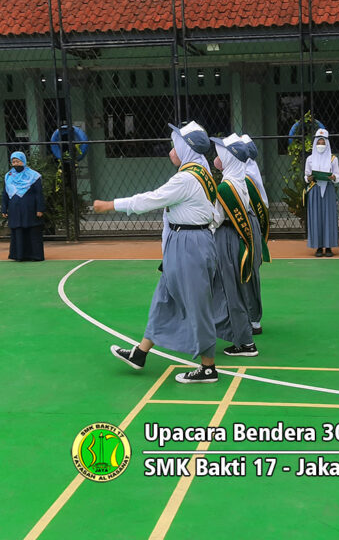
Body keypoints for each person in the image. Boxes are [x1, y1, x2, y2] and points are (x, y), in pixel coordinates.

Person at [97, 121, 223, 384]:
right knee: (164, 298)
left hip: (190, 243)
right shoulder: (201, 172)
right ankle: (140, 353)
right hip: (185, 241)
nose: (170, 151)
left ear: (185, 150)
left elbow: (149, 200)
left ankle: (208, 367)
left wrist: (111, 205)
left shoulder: (186, 178)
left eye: (174, 146)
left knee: (197, 304)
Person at [210, 134, 259, 357]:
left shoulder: (227, 186)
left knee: (232, 290)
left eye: (221, 152)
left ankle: (245, 343)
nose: (217, 154)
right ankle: (241, 336)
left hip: (227, 238)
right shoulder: (239, 178)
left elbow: (216, 219)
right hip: (237, 237)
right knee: (236, 288)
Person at [241, 134, 268, 335]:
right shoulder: (247, 170)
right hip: (247, 229)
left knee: (247, 271)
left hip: (245, 230)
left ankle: (252, 319)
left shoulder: (247, 174)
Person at [1, 151, 45, 261]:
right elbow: (5, 193)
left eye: (18, 161)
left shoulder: (34, 176)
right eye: (14, 162)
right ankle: (19, 255)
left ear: (24, 161)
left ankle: (35, 255)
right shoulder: (8, 176)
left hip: (30, 209)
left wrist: (40, 208)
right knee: (18, 229)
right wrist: (4, 208)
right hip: (15, 209)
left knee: (32, 229)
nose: (16, 164)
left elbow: (39, 193)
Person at [304, 128, 339, 257]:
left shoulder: (333, 159)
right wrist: (309, 178)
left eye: (323, 142)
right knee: (316, 217)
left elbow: (337, 175)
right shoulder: (310, 159)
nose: (320, 145)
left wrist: (333, 177)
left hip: (328, 189)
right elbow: (306, 176)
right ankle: (318, 247)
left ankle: (329, 246)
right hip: (315, 189)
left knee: (328, 217)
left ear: (327, 143)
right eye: (318, 142)